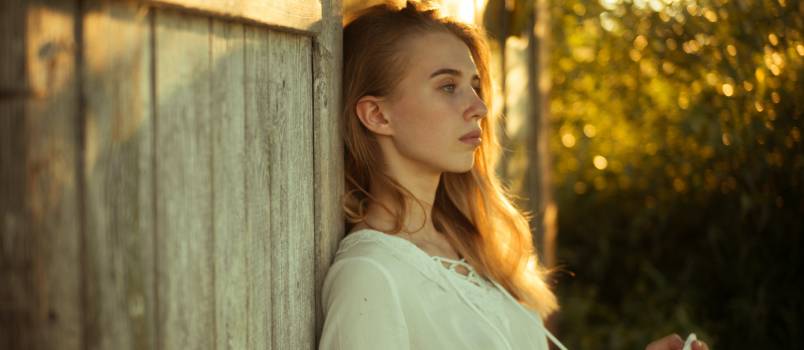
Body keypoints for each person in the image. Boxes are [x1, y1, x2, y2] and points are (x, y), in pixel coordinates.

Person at [319, 2, 711, 350]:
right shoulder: (370, 276)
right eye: (447, 86)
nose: (478, 107)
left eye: (474, 86)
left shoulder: (469, 247)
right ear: (378, 115)